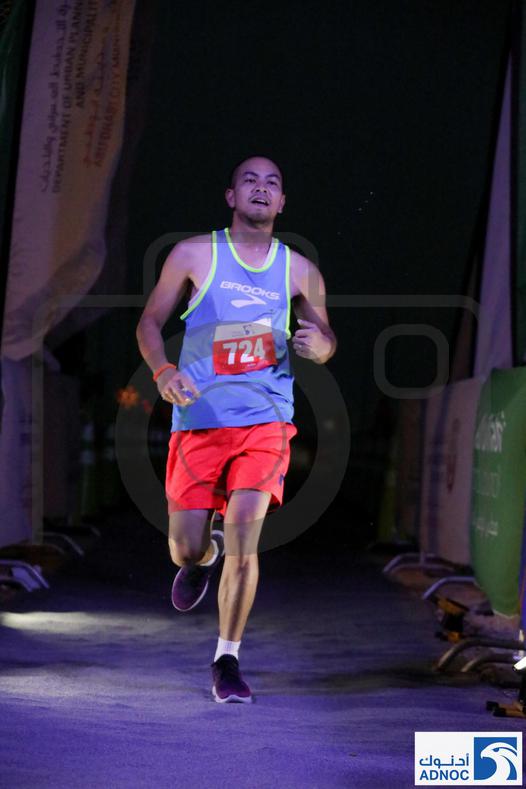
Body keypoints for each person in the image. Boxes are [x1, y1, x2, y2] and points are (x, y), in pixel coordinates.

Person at [136, 155, 336, 703]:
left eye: (273, 182)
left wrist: (321, 346)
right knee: (184, 548)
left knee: (248, 539)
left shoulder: (300, 270)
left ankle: (227, 659)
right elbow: (149, 321)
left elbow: (326, 336)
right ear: (231, 196)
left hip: (266, 422)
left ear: (282, 202)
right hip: (199, 420)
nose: (261, 188)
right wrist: (163, 370)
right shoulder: (193, 254)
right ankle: (203, 557)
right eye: (250, 180)